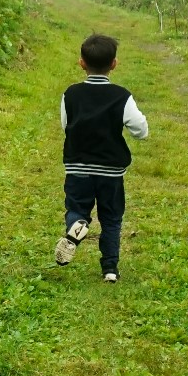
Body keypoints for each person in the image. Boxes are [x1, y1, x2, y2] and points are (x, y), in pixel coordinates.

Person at [55, 33, 148, 282]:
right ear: (114, 64)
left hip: (77, 167)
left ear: (81, 63)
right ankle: (110, 269)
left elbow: (66, 126)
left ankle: (77, 225)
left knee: (76, 208)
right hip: (110, 170)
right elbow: (140, 130)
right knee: (111, 219)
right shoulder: (122, 96)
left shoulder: (70, 94)